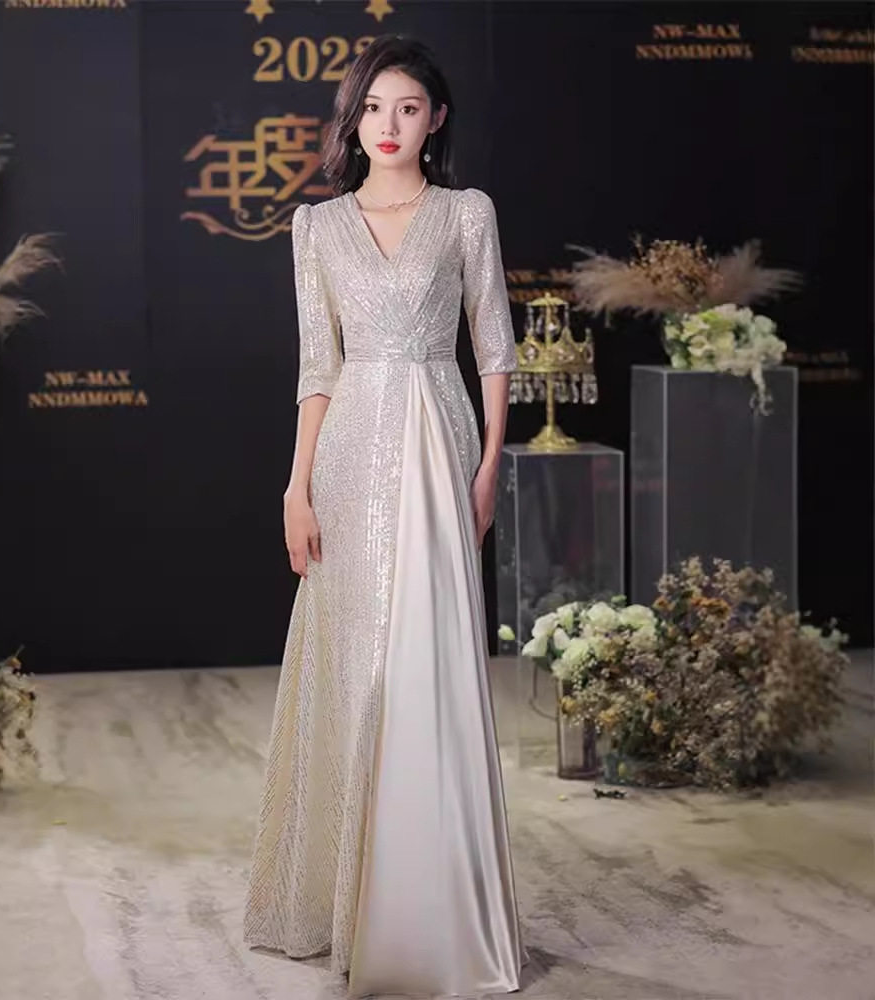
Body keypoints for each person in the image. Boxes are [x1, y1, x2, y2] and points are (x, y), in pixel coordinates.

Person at [244, 33, 525, 998]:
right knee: (356, 668)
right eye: (371, 108)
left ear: (435, 119)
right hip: (349, 453)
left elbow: (494, 346)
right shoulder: (316, 227)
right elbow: (316, 367)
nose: (388, 125)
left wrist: (489, 468)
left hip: (440, 442)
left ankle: (436, 917)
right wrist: (296, 487)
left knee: (429, 665)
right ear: (352, 120)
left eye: (407, 108)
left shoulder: (466, 213)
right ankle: (347, 906)